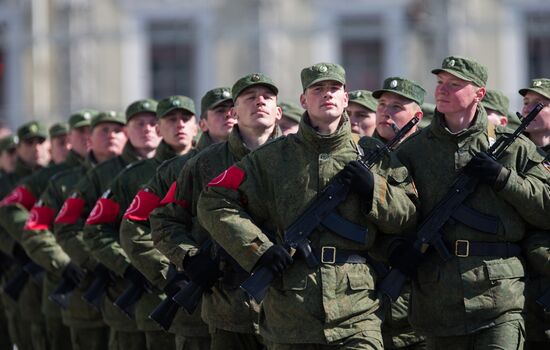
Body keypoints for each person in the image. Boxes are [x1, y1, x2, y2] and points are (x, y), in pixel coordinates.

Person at [196, 63, 418, 349]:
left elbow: (408, 217)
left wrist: (374, 189)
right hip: (291, 313)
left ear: (346, 99)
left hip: (357, 311)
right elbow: (214, 200)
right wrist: (258, 249)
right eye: (318, 89)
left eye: (334, 89)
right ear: (303, 100)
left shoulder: (373, 154)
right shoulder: (271, 158)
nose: (327, 95)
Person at [395, 56, 550, 349]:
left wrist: (505, 179)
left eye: (454, 85)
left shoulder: (513, 146)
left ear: (479, 94)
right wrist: (397, 248)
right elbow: (397, 210)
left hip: (499, 297)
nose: (442, 90)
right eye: (440, 83)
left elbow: (546, 207)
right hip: (438, 299)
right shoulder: (413, 151)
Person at [150, 74, 283, 350]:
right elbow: (164, 221)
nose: (259, 102)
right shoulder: (202, 165)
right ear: (235, 112)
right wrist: (190, 258)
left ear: (279, 111)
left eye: (267, 97)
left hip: (291, 311)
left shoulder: (297, 159)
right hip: (228, 306)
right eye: (250, 97)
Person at [121, 87, 234, 350]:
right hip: (197, 301)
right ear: (204, 123)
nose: (229, 116)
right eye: (220, 110)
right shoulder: (177, 170)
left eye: (232, 109)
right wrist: (174, 269)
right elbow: (135, 225)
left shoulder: (259, 162)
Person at [85, 95, 199, 350]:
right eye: (171, 118)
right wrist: (130, 266)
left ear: (198, 126)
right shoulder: (132, 177)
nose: (179, 125)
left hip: (212, 299)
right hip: (153, 296)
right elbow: (98, 229)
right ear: (161, 129)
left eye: (185, 118)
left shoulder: (214, 165)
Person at [54, 107, 147, 350]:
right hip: (96, 282)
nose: (111, 135)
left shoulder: (151, 171)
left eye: (117, 130)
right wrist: (97, 262)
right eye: (104, 130)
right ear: (89, 139)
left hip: (140, 285)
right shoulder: (69, 181)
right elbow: (66, 226)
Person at [370, 77, 426, 350]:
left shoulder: (428, 156)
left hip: (423, 297)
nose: (385, 111)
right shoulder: (360, 155)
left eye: (396, 106)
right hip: (369, 296)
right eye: (381, 104)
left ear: (417, 116)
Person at [515, 78, 550, 349]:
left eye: (539, 104)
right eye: (526, 103)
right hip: (517, 279)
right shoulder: (512, 154)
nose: (529, 109)